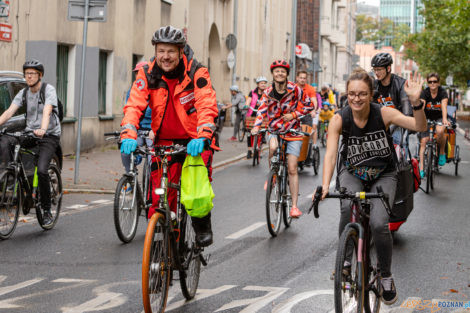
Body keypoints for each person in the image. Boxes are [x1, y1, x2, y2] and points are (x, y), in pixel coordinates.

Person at [317, 68, 426, 304]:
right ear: (346, 94)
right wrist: (325, 185)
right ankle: (345, 262)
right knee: (346, 209)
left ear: (371, 94)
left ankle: (386, 275)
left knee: (378, 224)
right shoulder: (340, 118)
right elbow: (331, 154)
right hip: (352, 172)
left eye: (363, 94)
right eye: (352, 94)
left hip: (383, 174)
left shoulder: (384, 113)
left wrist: (416, 103)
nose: (357, 98)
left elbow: (418, 127)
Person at [120, 25, 218, 247]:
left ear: (181, 51)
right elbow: (134, 104)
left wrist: (203, 135)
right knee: (160, 197)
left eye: (171, 51)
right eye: (161, 50)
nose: (165, 56)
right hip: (163, 141)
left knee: (195, 190)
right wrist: (128, 133)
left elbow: (206, 105)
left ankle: (201, 224)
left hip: (195, 140)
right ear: (155, 51)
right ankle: (170, 237)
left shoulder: (196, 72)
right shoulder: (147, 73)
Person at [0, 59, 61, 226]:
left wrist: (42, 129)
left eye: (32, 73)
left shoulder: (48, 90)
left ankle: (47, 210)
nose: (29, 76)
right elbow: (9, 112)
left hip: (48, 135)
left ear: (39, 75)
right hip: (30, 133)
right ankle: (14, 176)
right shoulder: (24, 93)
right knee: (7, 140)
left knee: (41, 170)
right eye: (27, 73)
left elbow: (47, 110)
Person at [251, 60, 312, 218]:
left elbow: (309, 105)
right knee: (272, 147)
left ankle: (294, 207)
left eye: (282, 71)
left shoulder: (295, 89)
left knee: (292, 167)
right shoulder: (268, 92)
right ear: (273, 74)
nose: (280, 74)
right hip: (274, 129)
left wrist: (293, 115)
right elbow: (261, 110)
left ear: (287, 74)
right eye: (277, 71)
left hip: (293, 131)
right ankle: (273, 175)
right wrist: (257, 126)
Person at [121, 61, 155, 175]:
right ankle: (130, 175)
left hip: (152, 130)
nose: (138, 75)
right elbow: (130, 110)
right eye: (136, 72)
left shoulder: (156, 89)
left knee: (154, 159)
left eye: (140, 72)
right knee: (126, 152)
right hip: (138, 129)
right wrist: (127, 132)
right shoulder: (132, 91)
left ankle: (152, 181)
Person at [371, 52, 412, 146]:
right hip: (379, 124)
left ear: (388, 68)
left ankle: (400, 159)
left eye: (379, 69)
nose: (376, 73)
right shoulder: (374, 85)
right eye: (374, 70)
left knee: (397, 142)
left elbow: (406, 111)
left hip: (397, 123)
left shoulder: (400, 84)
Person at [418, 73, 449, 176]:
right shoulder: (425, 92)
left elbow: (444, 106)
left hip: (439, 117)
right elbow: (422, 106)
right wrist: (419, 118)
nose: (432, 83)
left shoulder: (442, 92)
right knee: (423, 142)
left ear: (438, 83)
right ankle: (421, 169)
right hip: (427, 118)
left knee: (440, 131)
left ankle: (441, 152)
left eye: (435, 81)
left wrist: (444, 119)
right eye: (430, 82)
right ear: (428, 83)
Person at [296, 71, 320, 149]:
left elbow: (314, 101)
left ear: (306, 79)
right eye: (301, 78)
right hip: (295, 114)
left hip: (306, 114)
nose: (302, 79)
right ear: (297, 78)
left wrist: (313, 110)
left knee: (306, 134)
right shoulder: (293, 87)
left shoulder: (310, 89)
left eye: (304, 78)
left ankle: (306, 153)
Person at [245, 76, 268, 158]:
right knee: (249, 131)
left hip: (263, 115)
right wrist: (246, 105)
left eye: (265, 83)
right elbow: (249, 100)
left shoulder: (267, 92)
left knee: (263, 130)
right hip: (252, 114)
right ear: (258, 84)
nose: (263, 85)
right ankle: (249, 150)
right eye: (262, 83)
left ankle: (260, 150)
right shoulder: (252, 92)